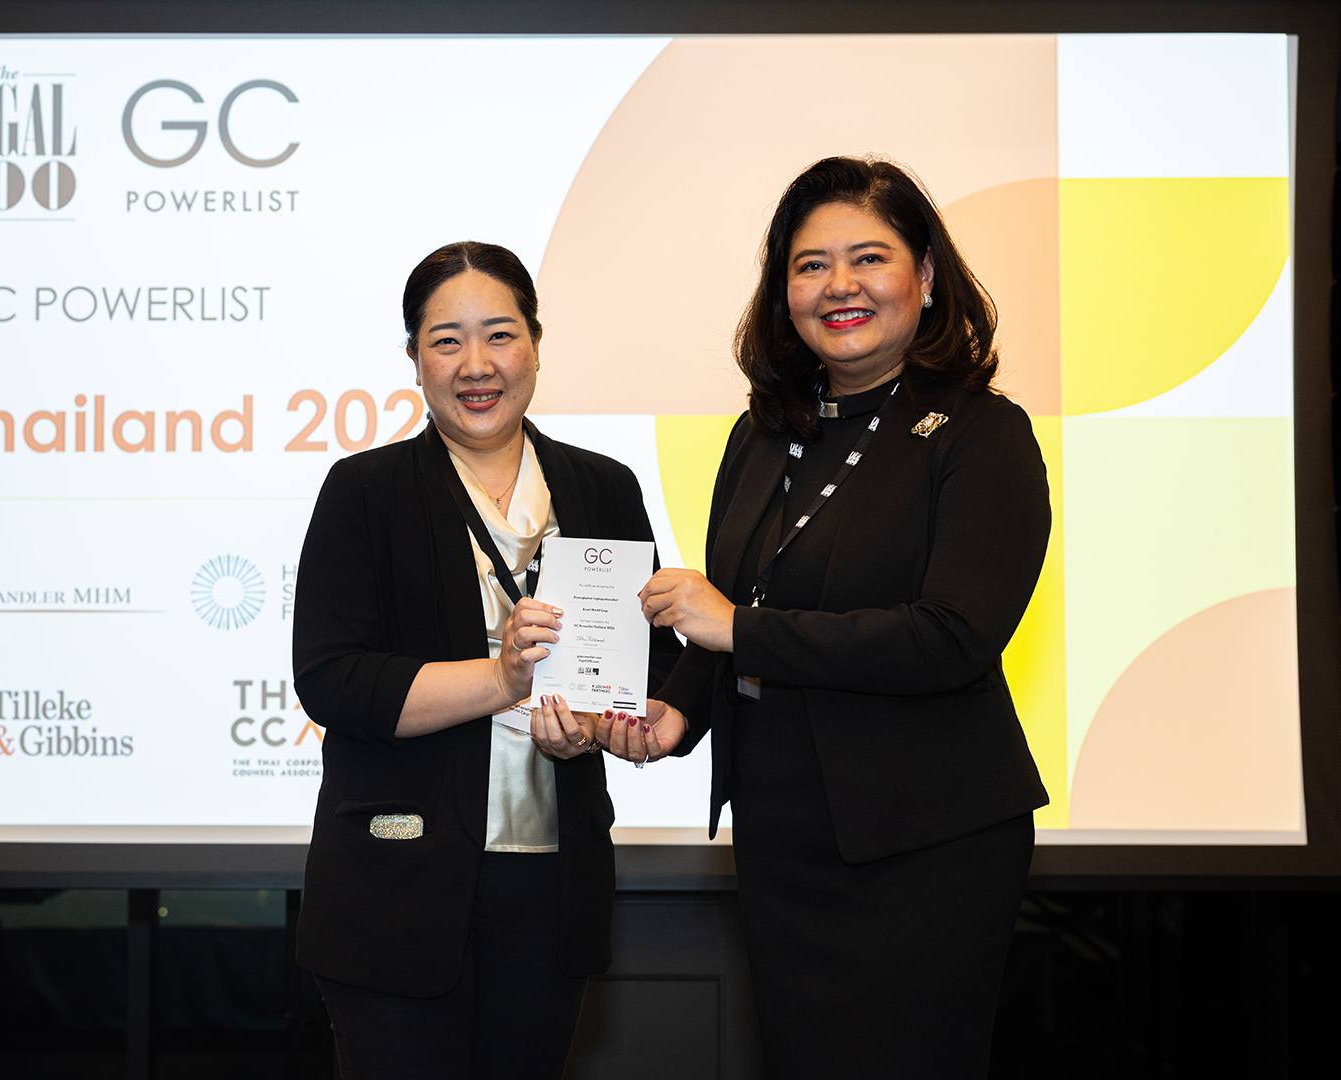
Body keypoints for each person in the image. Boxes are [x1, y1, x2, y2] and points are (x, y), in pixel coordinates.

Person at [624, 156, 1052, 1078]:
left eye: (869, 258)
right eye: (810, 265)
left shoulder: (981, 434)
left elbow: (949, 638)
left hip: (922, 840)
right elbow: (742, 603)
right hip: (783, 835)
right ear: (782, 293)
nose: (839, 286)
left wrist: (736, 630)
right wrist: (676, 714)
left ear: (925, 276)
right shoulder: (760, 433)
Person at [291, 241, 681, 1080]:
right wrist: (503, 680)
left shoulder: (602, 486)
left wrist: (624, 726)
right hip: (398, 887)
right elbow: (334, 680)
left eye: (500, 335)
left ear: (536, 343)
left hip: (552, 886)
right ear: (413, 359)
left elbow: (648, 666)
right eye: (446, 341)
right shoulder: (364, 492)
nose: (476, 365)